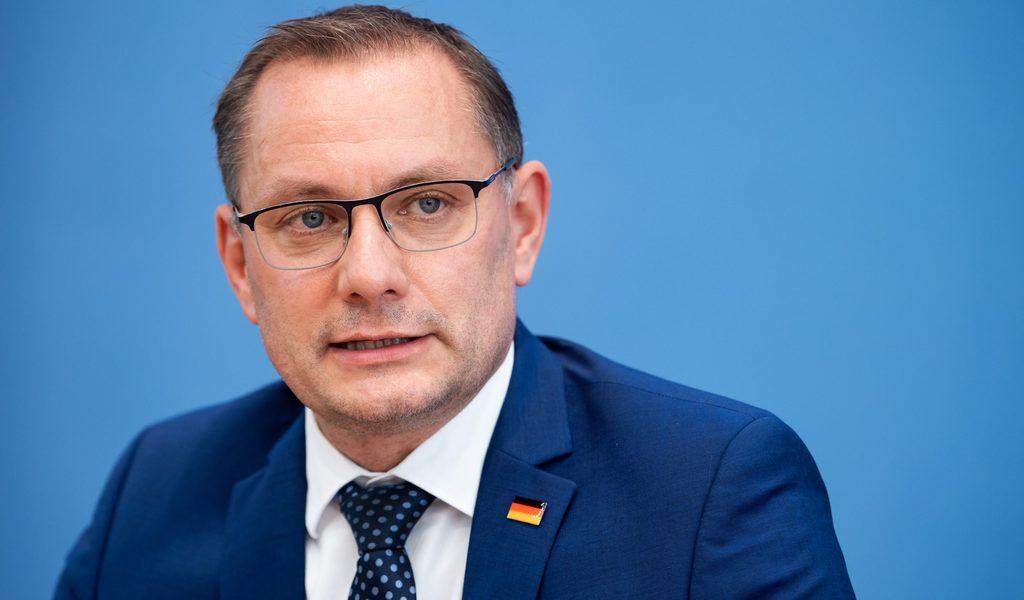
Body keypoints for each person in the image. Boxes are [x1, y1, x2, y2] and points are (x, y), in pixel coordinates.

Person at [55, 5, 854, 599]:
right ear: (239, 264)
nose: (369, 274)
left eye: (428, 204)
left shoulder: (707, 491)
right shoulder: (153, 495)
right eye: (310, 218)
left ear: (523, 224)